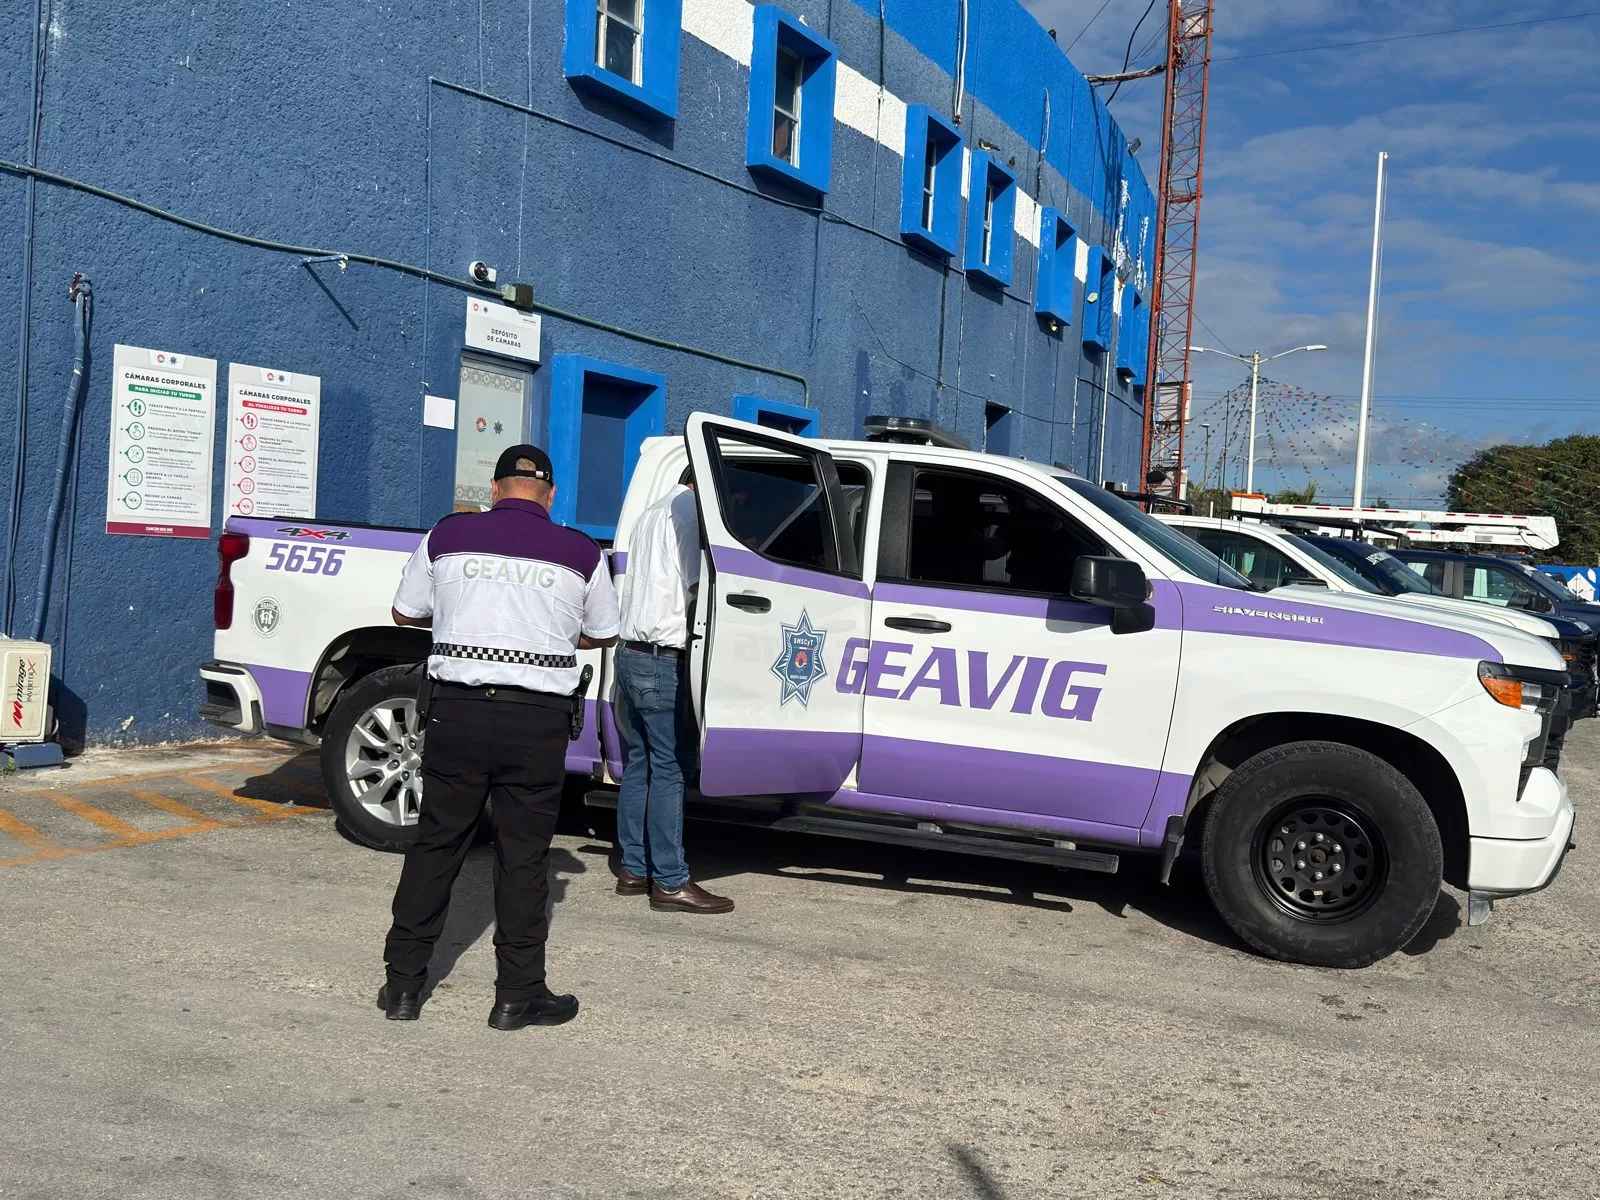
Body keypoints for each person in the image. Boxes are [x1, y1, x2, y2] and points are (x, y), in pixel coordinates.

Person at [379, 444, 620, 1029]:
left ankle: (404, 986)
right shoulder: (581, 551)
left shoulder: (447, 535)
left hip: (456, 714)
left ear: (494, 488)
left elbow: (405, 613)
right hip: (535, 722)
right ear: (550, 494)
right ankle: (517, 995)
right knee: (524, 857)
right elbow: (605, 631)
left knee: (437, 845)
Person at [611, 473, 734, 913]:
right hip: (661, 657)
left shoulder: (652, 511)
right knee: (668, 768)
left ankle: (633, 868)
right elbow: (698, 585)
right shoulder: (688, 513)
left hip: (631, 651)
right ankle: (670, 880)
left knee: (641, 762)